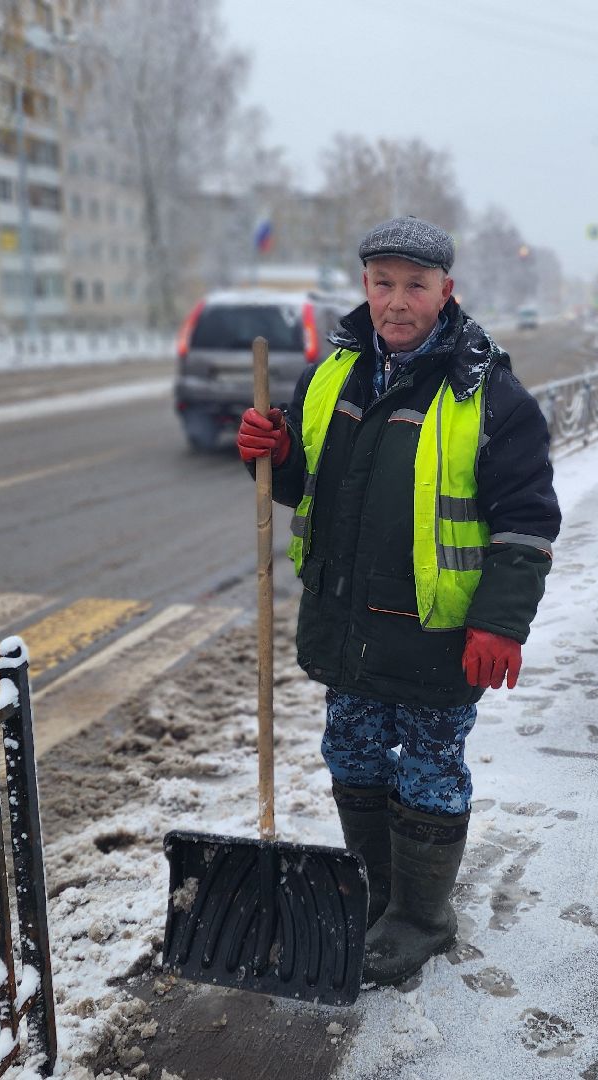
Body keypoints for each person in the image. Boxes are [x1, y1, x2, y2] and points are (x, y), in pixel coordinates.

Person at [237, 216, 560, 986]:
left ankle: (420, 919)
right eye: (383, 283)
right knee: (350, 753)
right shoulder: (332, 376)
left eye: (415, 285)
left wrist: (501, 621)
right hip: (349, 623)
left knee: (428, 769)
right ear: (365, 287)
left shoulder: (490, 395)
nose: (397, 301)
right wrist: (277, 457)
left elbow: (527, 519)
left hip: (437, 634)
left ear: (447, 291)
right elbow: (310, 484)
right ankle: (376, 896)